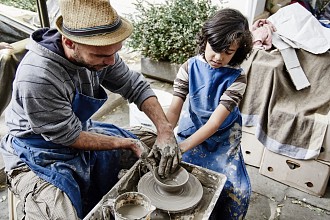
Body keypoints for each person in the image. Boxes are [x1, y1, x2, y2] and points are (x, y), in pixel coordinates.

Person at [0, 0, 180, 219]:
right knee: (61, 215)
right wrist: (129, 143)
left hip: (79, 130)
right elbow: (67, 136)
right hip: (38, 152)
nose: (111, 61)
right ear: (69, 41)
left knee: (156, 145)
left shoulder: (101, 52)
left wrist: (165, 130)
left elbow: (135, 85)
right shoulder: (38, 76)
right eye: (101, 55)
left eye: (116, 51)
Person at [166, 8, 253, 219]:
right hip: (191, 130)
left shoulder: (237, 79)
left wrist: (182, 148)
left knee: (238, 190)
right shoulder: (189, 67)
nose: (218, 57)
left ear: (238, 51)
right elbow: (174, 108)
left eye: (228, 52)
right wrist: (165, 136)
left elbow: (214, 123)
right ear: (205, 39)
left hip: (222, 140)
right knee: (172, 172)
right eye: (214, 48)